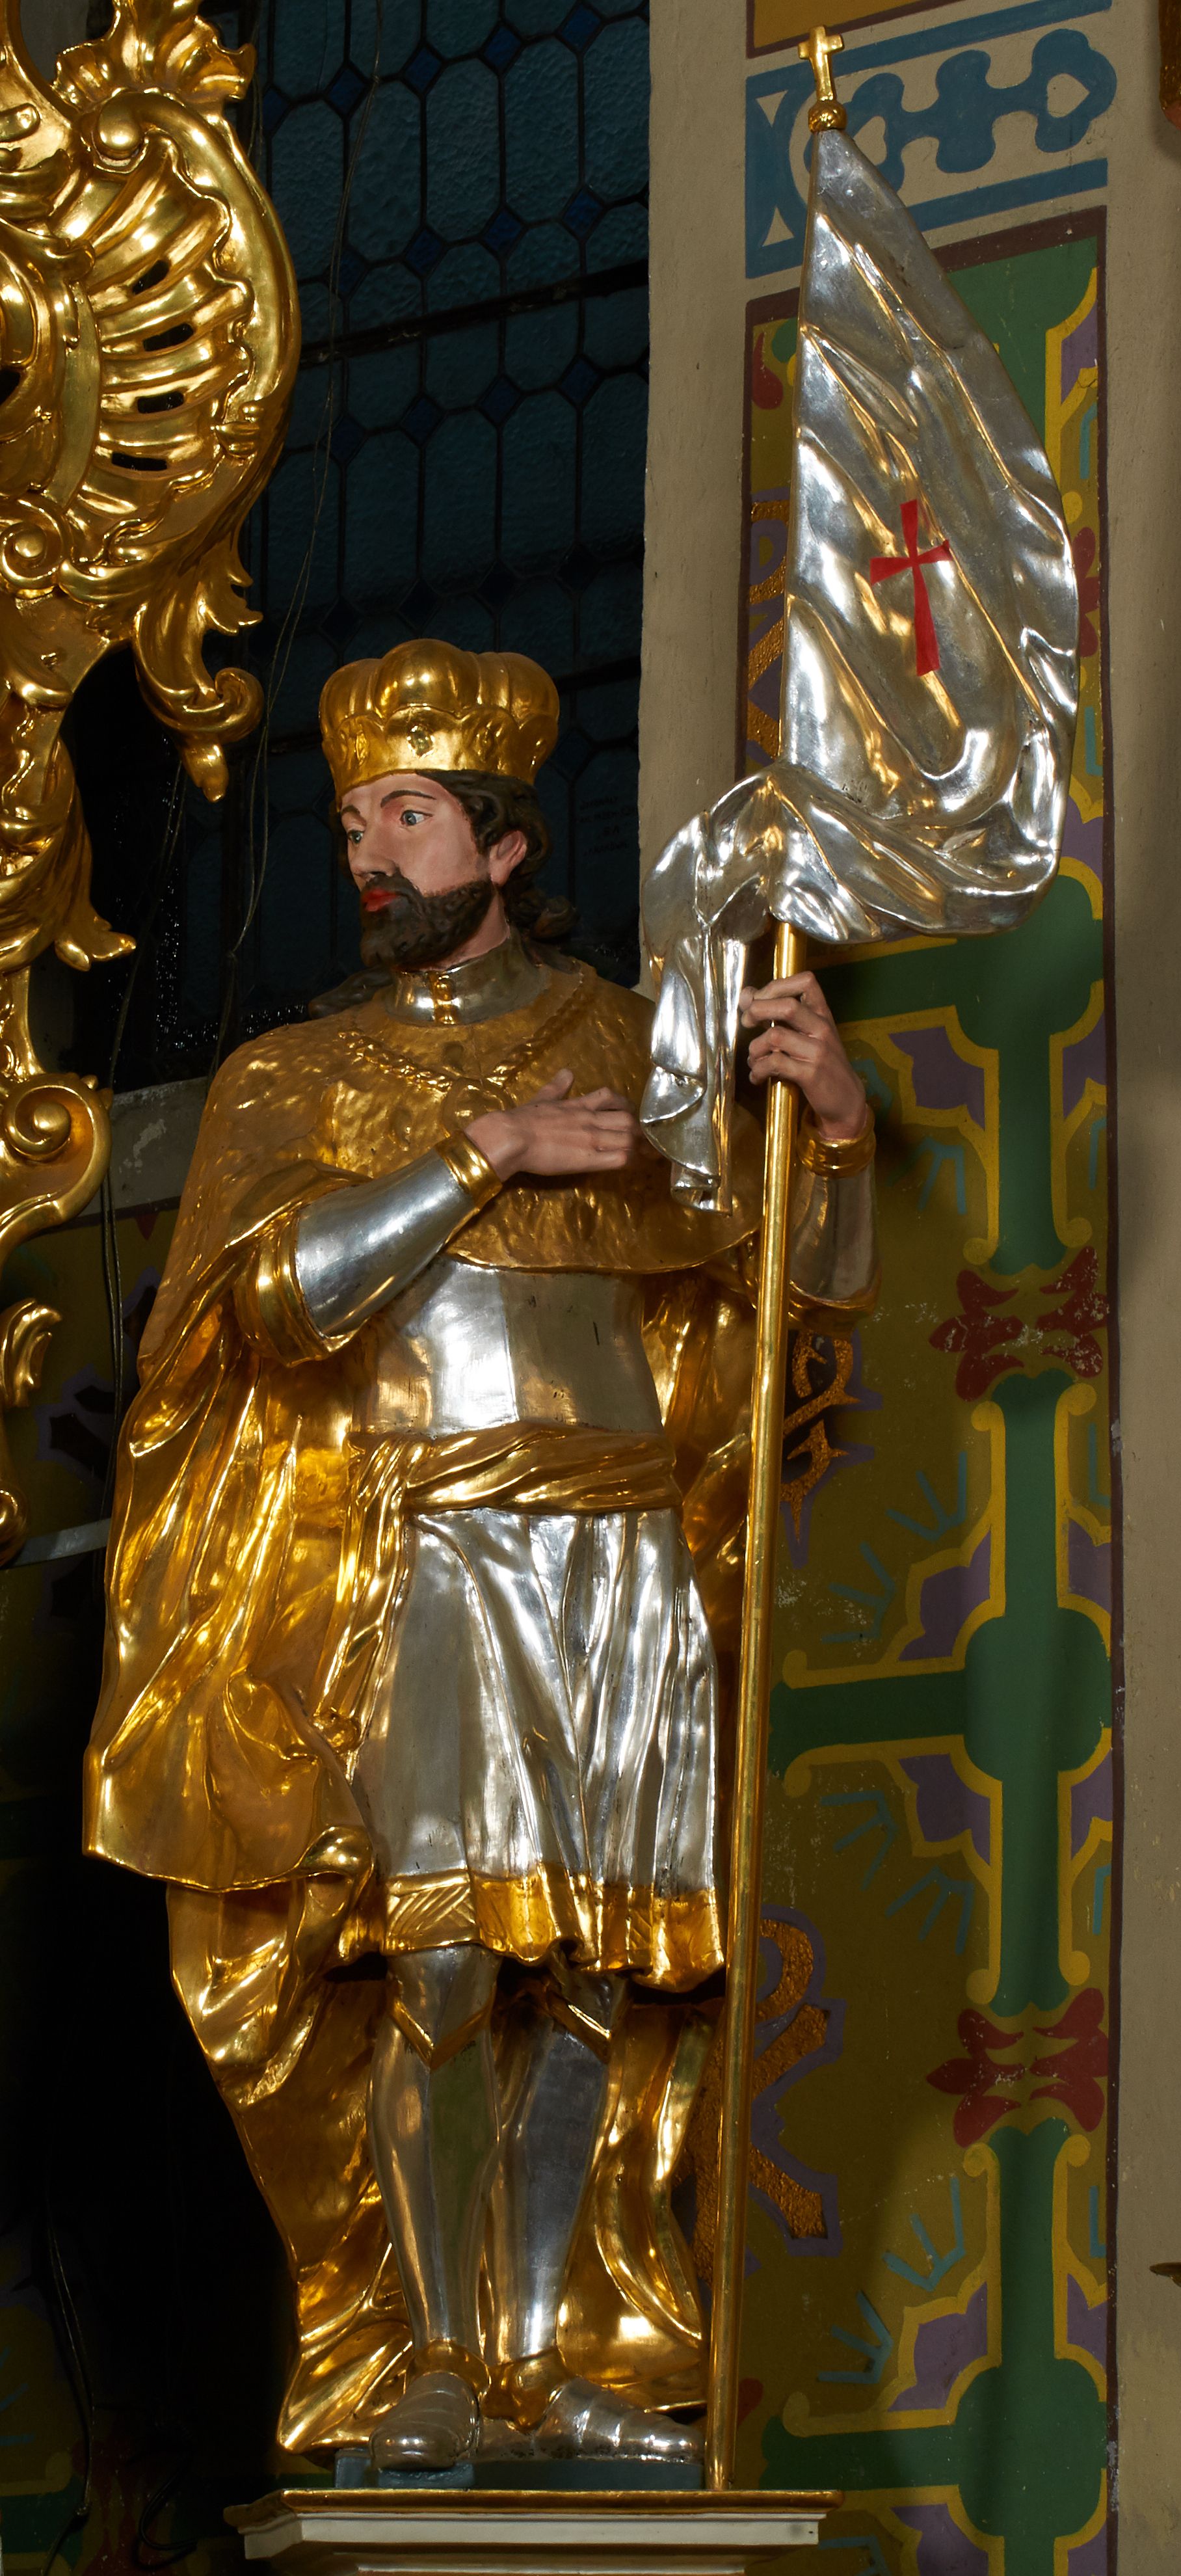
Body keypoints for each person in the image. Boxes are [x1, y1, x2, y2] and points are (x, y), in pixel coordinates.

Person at [84, 643, 876, 2471]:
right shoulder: (292, 1079)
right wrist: (487, 1153)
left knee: (593, 1970)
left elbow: (786, 1308)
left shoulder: (636, 1039)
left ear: (506, 845)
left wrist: (830, 1127)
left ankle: (552, 2357)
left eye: (409, 817)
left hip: (620, 1553)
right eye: (355, 820)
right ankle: (431, 2360)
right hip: (426, 1551)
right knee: (439, 1967)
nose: (369, 853)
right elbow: (277, 1309)